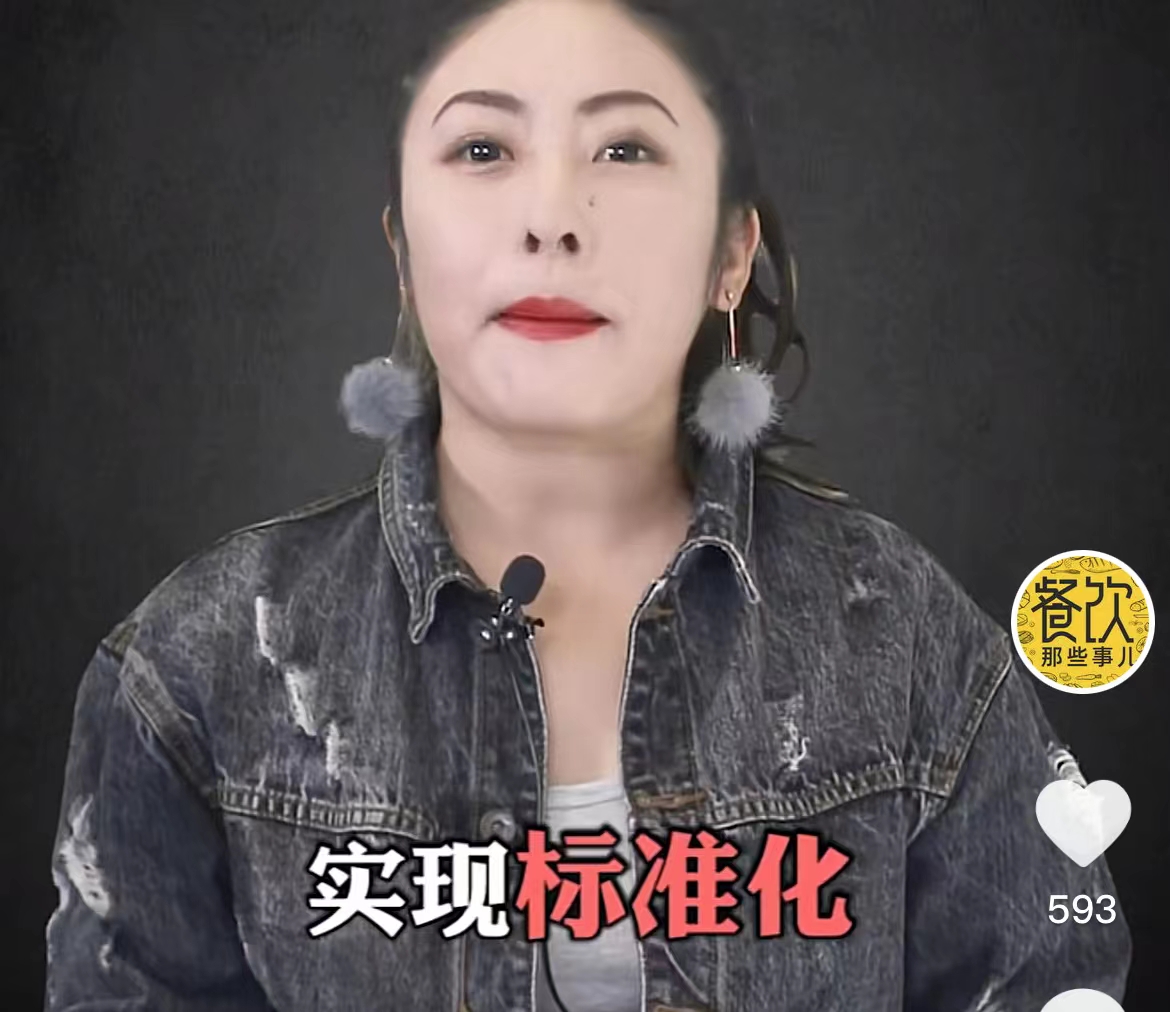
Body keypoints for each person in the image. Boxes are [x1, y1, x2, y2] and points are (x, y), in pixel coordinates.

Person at [45, 0, 1131, 1009]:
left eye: (625, 148)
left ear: (731, 252)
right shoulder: (193, 668)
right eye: (483, 149)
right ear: (403, 248)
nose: (552, 218)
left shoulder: (902, 636)